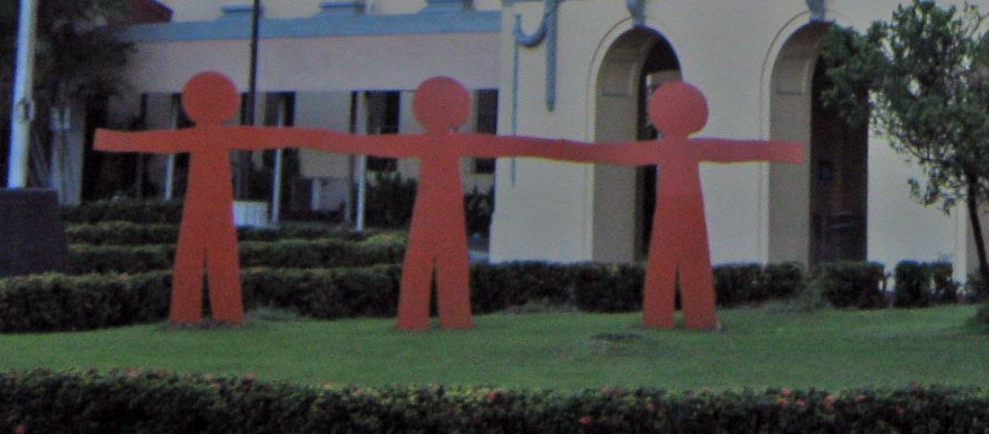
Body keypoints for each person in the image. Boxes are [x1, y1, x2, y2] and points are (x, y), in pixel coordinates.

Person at [330, 75, 595, 330]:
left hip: (439, 217)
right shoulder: (456, 141)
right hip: (437, 216)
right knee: (435, 261)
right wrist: (566, 149)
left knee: (432, 261)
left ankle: (433, 317)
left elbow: (352, 143)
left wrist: (566, 149)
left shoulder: (434, 141)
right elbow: (514, 145)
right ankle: (437, 317)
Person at [91, 70, 339, 324]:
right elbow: (295, 136)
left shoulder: (203, 136)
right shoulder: (221, 135)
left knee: (207, 256)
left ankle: (206, 315)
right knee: (211, 257)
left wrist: (108, 139)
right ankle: (208, 314)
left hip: (208, 210)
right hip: (204, 209)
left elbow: (143, 141)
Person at [566, 79, 800, 330]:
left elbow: (603, 153)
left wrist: (788, 151)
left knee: (668, 263)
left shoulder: (666, 147)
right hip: (685, 210)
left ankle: (672, 318)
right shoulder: (693, 147)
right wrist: (787, 151)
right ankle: (687, 317)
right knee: (685, 262)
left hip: (679, 210)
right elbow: (740, 150)